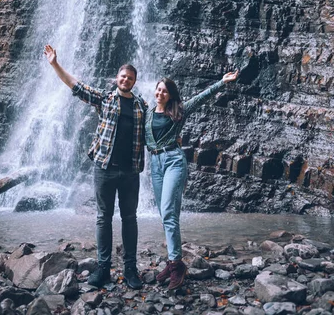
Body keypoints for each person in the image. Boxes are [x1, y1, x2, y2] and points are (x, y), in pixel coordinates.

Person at [44, 44, 147, 290]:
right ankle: (103, 269)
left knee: (130, 219)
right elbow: (76, 86)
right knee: (103, 218)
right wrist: (55, 64)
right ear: (117, 78)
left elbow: (159, 124)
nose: (126, 80)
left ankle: (130, 270)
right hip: (105, 168)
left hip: (131, 171)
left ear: (134, 82)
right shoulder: (105, 98)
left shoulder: (141, 106)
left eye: (130, 78)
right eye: (123, 76)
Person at [146, 70, 239, 290]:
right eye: (158, 89)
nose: (160, 93)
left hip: (173, 161)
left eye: (165, 91)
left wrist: (221, 82)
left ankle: (177, 265)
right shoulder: (147, 113)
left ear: (170, 95)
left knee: (168, 212)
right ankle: (172, 261)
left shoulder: (178, 111)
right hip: (155, 164)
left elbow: (201, 98)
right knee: (165, 213)